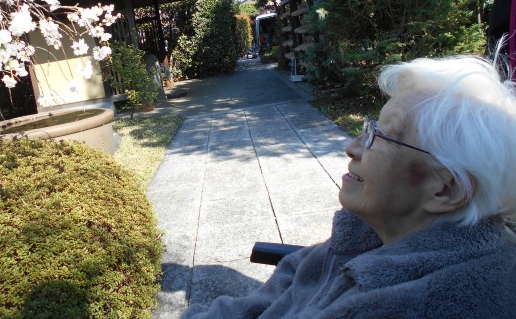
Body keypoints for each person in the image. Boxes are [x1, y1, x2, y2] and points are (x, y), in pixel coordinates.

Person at [182, 55, 516, 318]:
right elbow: (277, 291)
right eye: (370, 127)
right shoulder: (369, 232)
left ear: (445, 190)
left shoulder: (404, 304)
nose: (352, 147)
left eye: (380, 137)